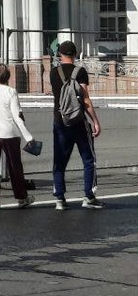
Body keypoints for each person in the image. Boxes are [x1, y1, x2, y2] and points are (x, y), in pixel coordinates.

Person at [50, 41, 102, 210]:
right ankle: (88, 196)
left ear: (60, 54)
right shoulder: (80, 72)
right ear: (75, 54)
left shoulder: (53, 72)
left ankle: (59, 198)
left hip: (60, 120)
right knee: (88, 159)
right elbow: (85, 99)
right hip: (78, 121)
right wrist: (95, 121)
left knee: (59, 161)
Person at [0, 63, 36, 210]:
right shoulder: (11, 92)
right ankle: (22, 198)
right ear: (8, 77)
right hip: (9, 133)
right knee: (15, 167)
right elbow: (17, 116)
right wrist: (28, 136)